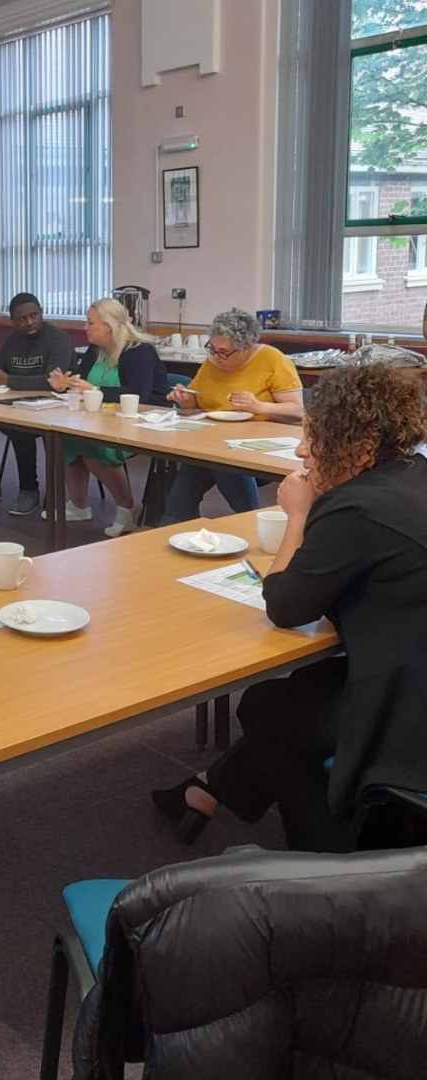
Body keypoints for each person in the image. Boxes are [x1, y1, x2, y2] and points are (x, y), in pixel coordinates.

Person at [152, 364, 427, 852]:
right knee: (306, 686)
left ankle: (324, 861)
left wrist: (297, 512)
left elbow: (285, 607)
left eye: (314, 438)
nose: (301, 451)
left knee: (266, 708)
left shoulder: (354, 506)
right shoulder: (413, 477)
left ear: (361, 449)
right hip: (408, 665)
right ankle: (210, 789)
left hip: (408, 710)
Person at [160, 308, 303, 524]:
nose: (217, 356)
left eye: (224, 352)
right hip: (213, 441)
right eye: (213, 348)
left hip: (257, 446)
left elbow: (297, 410)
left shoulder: (272, 360)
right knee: (196, 469)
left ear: (245, 348)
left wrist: (259, 406)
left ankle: (251, 521)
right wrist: (184, 397)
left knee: (223, 465)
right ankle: (171, 527)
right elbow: (197, 398)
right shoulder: (213, 362)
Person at [47, 298, 170, 537]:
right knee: (65, 438)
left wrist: (92, 390)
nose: (85, 328)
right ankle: (79, 505)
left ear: (109, 326)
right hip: (105, 415)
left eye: (90, 323)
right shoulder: (96, 349)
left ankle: (127, 508)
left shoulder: (138, 351)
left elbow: (138, 395)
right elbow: (82, 381)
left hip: (144, 418)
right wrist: (65, 384)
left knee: (95, 443)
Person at [0, 292, 73, 516]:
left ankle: (29, 490)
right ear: (13, 321)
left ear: (42, 312)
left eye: (34, 315)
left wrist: (7, 379)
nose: (29, 322)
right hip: (17, 401)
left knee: (20, 427)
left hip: (54, 407)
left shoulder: (59, 339)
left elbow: (53, 381)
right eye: (22, 319)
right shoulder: (12, 341)